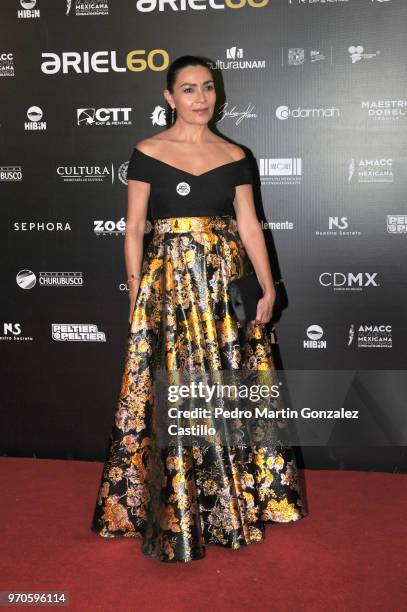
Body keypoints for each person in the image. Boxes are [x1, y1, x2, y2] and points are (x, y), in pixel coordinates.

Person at [91, 55, 308, 563]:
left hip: (225, 285)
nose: (200, 98)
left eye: (207, 88)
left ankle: (238, 499)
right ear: (170, 98)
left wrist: (267, 285)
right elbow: (135, 228)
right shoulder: (147, 151)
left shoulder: (236, 154)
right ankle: (176, 505)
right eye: (188, 89)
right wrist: (133, 291)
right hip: (167, 286)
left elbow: (251, 226)